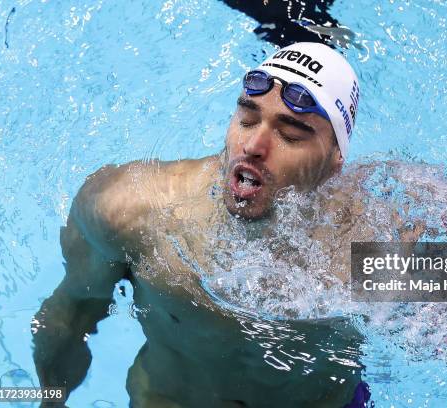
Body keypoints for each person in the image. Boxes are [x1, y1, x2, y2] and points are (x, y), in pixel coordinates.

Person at [32, 42, 384, 408]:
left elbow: (444, 316)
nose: (253, 145)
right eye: (247, 118)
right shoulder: (131, 210)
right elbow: (70, 315)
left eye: (290, 134)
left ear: (334, 162)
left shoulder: (367, 246)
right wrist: (49, 401)